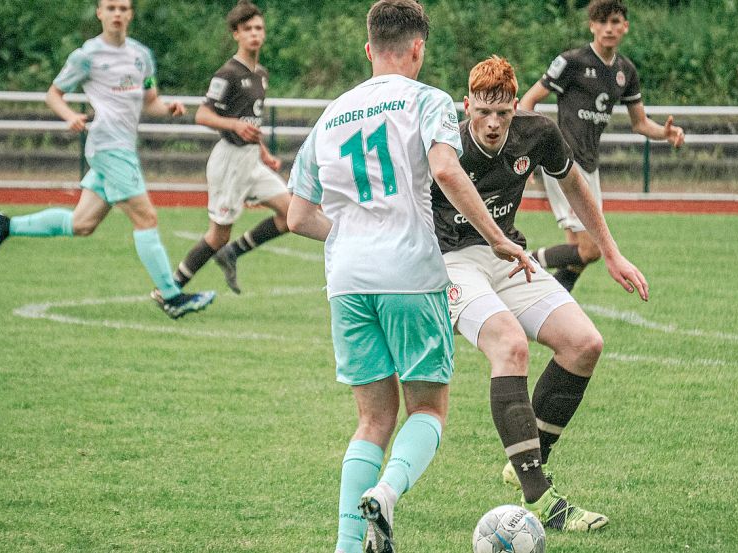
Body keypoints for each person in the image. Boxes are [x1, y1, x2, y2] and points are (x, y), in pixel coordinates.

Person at [286, 3, 533, 552]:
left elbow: (297, 216)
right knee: (427, 408)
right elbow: (446, 168)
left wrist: (352, 237)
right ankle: (389, 494)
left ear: (369, 49)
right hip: (410, 274)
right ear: (418, 48)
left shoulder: (330, 115)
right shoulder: (428, 100)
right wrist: (497, 238)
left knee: (372, 420)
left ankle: (348, 547)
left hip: (347, 281)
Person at [431, 56, 649, 531]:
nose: (492, 124)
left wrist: (611, 253)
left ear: (515, 106)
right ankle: (540, 498)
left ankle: (524, 462)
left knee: (584, 344)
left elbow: (573, 182)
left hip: (507, 256)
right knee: (509, 345)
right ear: (467, 105)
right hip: (450, 262)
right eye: (482, 113)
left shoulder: (538, 133)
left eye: (503, 113)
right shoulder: (442, 136)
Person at [0, 0, 215, 320]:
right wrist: (69, 116)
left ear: (131, 14)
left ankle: (6, 225)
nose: (117, 13)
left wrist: (168, 108)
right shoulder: (86, 56)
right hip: (108, 146)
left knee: (82, 224)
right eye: (111, 7)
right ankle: (171, 297)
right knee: (146, 217)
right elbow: (53, 94)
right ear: (99, 13)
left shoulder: (141, 56)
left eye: (123, 8)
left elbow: (150, 101)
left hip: (123, 146)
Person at [519, 0, 684, 292]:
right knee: (592, 249)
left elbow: (640, 123)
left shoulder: (625, 72)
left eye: (615, 22)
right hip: (563, 162)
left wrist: (665, 134)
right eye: (603, 22)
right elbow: (528, 101)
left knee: (578, 253)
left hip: (589, 165)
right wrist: (534, 147)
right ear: (592, 26)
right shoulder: (572, 62)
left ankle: (554, 302)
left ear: (625, 27)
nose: (609, 28)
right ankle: (522, 262)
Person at [171, 0, 291, 295]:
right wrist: (234, 125)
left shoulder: (261, 74)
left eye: (259, 28)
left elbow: (252, 119)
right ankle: (170, 290)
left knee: (292, 215)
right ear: (236, 34)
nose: (255, 34)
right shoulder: (227, 73)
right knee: (217, 235)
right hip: (229, 161)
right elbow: (203, 114)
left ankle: (233, 253)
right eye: (247, 29)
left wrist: (263, 152)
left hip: (252, 160)